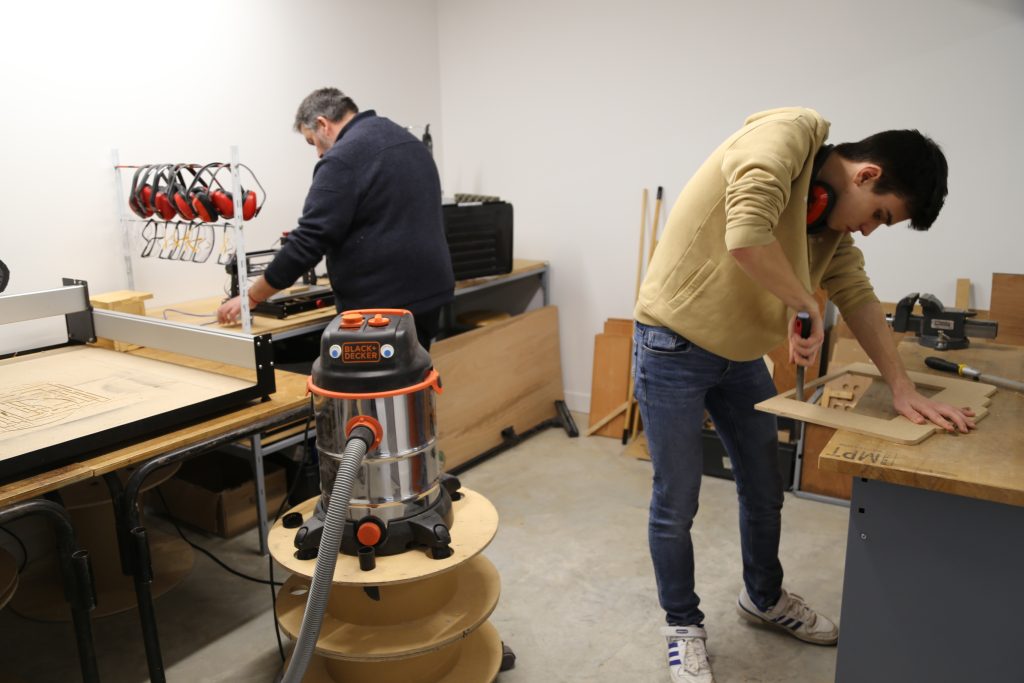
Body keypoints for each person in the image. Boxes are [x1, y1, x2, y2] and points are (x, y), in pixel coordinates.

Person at [632, 107, 973, 683]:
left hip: (739, 358)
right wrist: (804, 303)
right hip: (673, 345)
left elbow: (859, 295)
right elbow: (746, 236)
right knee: (677, 500)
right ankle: (683, 625)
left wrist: (902, 386)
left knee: (765, 487)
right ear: (865, 175)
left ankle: (762, 599)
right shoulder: (789, 132)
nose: (867, 229)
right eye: (880, 216)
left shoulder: (828, 226)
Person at [217, 87, 454, 350]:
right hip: (429, 293)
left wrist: (251, 296)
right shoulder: (407, 141)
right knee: (410, 380)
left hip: (383, 308)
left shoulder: (344, 157)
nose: (318, 153)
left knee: (377, 386)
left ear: (322, 124)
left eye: (312, 141)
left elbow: (308, 240)